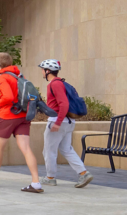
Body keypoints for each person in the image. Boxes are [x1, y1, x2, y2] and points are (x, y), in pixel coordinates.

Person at [0, 52, 43, 193]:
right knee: (26, 149)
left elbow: (8, 97)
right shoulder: (19, 75)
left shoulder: (2, 77)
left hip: (8, 116)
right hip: (23, 116)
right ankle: (36, 182)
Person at [38, 59, 93, 188]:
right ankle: (83, 173)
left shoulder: (54, 84)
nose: (41, 72)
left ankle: (50, 177)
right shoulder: (61, 83)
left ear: (47, 71)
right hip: (68, 122)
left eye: (42, 69)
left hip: (58, 121)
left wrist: (57, 122)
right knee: (66, 149)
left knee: (49, 150)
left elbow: (64, 104)